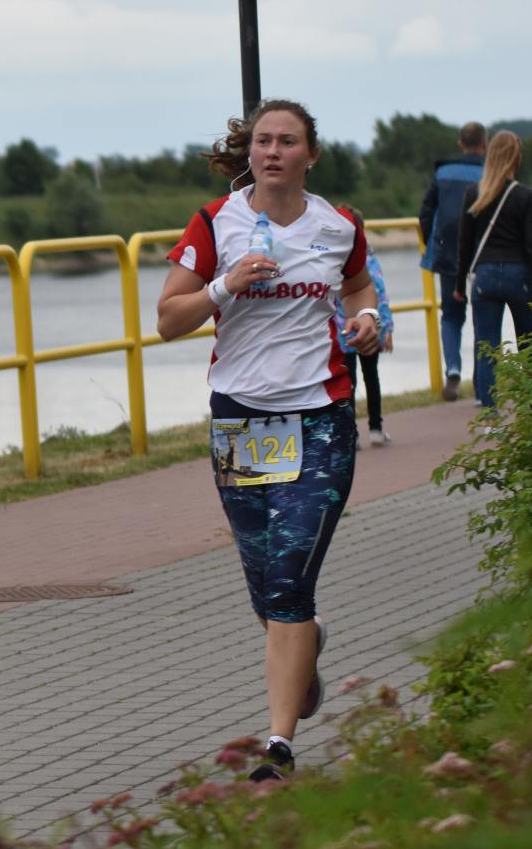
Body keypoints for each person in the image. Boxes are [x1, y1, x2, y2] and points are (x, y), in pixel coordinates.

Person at [157, 98, 381, 783]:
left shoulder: (338, 226)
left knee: (289, 576)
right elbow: (168, 319)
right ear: (249, 151)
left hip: (319, 418)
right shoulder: (214, 223)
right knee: (265, 586)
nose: (274, 151)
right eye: (263, 141)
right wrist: (224, 286)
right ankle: (304, 647)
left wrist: (368, 318)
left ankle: (278, 747)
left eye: (288, 141)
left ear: (311, 154)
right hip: (242, 422)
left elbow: (358, 287)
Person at [454, 131, 532, 414]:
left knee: (487, 347)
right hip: (520, 277)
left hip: (484, 276)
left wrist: (459, 285)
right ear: (515, 157)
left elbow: (464, 244)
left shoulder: (474, 193)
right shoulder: (525, 195)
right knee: (529, 345)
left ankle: (490, 414)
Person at [418, 121, 487, 400]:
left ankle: (453, 369)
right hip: (482, 252)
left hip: (447, 251)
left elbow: (426, 212)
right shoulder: (488, 174)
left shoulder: (442, 172)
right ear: (485, 145)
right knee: (484, 315)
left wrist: (431, 243)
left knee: (451, 313)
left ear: (460, 144)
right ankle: (482, 382)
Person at [333, 206, 394, 447]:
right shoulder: (369, 260)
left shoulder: (332, 258)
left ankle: (352, 435)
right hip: (369, 329)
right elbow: (380, 294)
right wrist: (386, 327)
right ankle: (376, 428)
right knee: (371, 378)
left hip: (342, 332)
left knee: (348, 383)